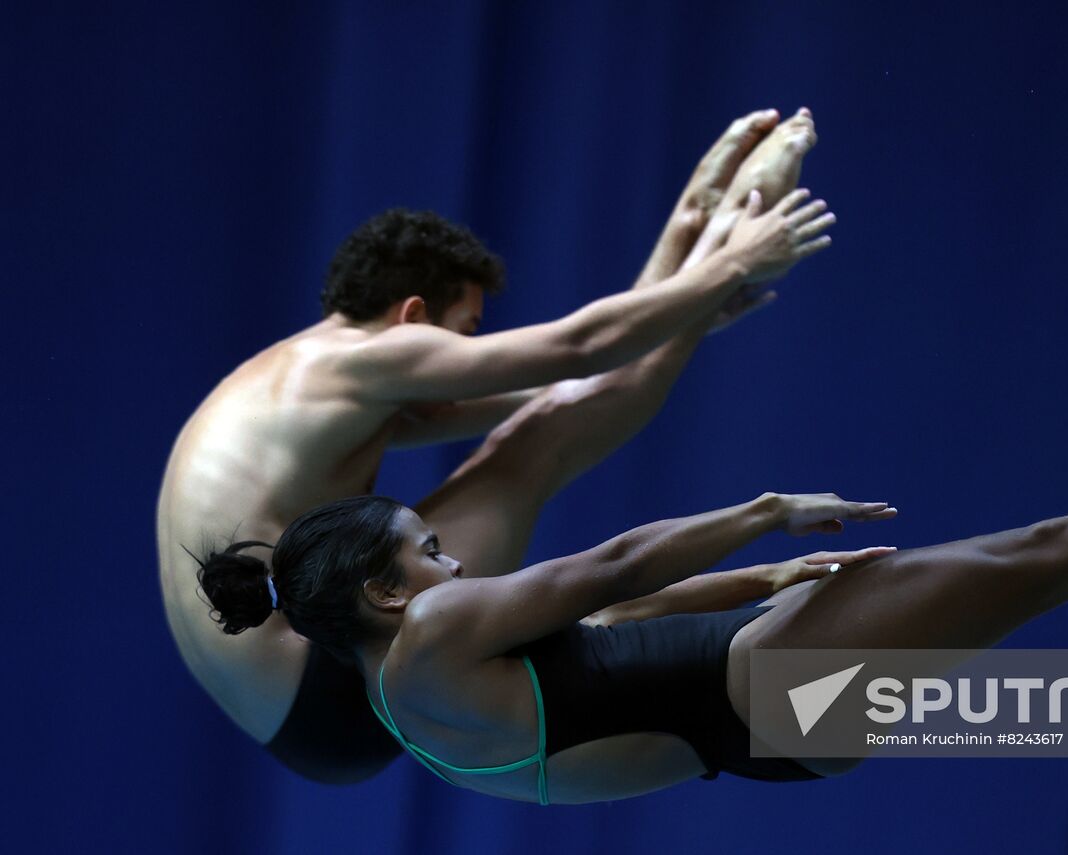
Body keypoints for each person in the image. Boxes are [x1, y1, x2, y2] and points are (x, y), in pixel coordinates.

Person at [198, 313, 1068, 804]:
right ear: (384, 588)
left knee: (1044, 615)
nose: (452, 562)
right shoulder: (432, 637)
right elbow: (610, 567)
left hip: (764, 705)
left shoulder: (407, 704)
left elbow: (619, 635)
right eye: (428, 548)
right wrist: (766, 510)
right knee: (1050, 554)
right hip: (770, 691)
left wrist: (757, 582)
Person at [159, 107, 832, 783]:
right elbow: (580, 351)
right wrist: (734, 261)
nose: (471, 355)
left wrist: (686, 288)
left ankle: (704, 231)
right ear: (414, 317)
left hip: (297, 714)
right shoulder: (356, 360)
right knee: (533, 452)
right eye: (468, 332)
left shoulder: (295, 382)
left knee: (537, 436)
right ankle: (720, 233)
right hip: (331, 683)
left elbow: (576, 386)